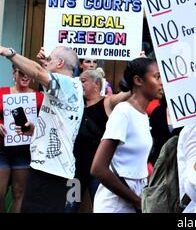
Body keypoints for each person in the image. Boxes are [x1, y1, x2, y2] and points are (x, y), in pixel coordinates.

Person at [0, 45, 84, 212]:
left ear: (59, 63)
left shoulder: (66, 84)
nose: (46, 62)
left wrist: (7, 52)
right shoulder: (67, 86)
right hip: (47, 168)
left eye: (49, 59)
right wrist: (36, 130)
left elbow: (37, 72)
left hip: (51, 170)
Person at [90, 57, 163, 213]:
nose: (161, 82)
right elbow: (98, 168)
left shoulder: (142, 115)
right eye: (157, 77)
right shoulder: (123, 112)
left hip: (132, 200)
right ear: (138, 80)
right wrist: (136, 200)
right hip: (115, 204)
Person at [66, 68, 131, 212]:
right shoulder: (75, 105)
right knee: (70, 207)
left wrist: (138, 70)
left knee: (101, 208)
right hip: (75, 172)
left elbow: (127, 94)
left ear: (96, 84)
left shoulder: (107, 102)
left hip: (99, 172)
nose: (79, 84)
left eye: (83, 81)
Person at [0, 65, 44, 212]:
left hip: (25, 150)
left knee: (19, 193)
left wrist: (35, 130)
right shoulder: (2, 93)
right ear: (14, 73)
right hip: (2, 149)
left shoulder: (39, 97)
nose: (25, 77)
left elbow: (46, 124)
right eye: (21, 73)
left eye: (28, 74)